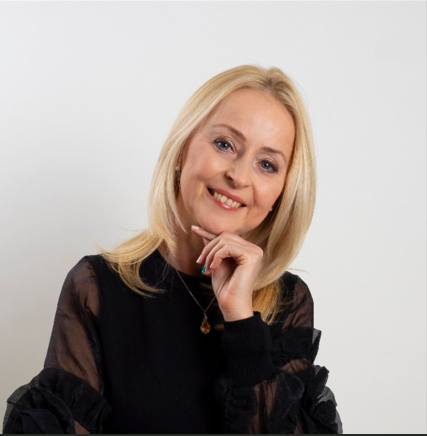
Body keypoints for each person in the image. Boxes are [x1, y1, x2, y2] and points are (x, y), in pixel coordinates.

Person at [3, 65, 342, 434]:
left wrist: (241, 320)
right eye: (225, 144)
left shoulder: (289, 303)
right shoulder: (96, 287)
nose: (239, 176)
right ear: (183, 148)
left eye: (267, 164)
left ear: (281, 193)